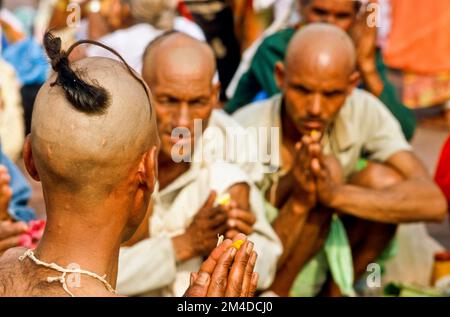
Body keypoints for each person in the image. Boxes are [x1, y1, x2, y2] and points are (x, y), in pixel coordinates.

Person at [0, 32, 258, 297]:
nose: (183, 118)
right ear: (148, 170)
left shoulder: (6, 264)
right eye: (169, 100)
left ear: (30, 159)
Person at [233, 24, 447, 296]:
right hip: (264, 270)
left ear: (351, 85)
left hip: (328, 251)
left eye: (331, 94)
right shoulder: (244, 129)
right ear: (280, 77)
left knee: (379, 180)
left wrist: (335, 195)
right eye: (302, 90)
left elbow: (433, 203)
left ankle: (336, 292)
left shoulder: (363, 109)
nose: (315, 108)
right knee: (324, 172)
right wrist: (300, 199)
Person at [117, 32, 281, 297]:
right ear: (142, 89)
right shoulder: (110, 148)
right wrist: (185, 244)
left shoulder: (232, 145)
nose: (182, 120)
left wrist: (233, 244)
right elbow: (87, 273)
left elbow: (268, 263)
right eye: (168, 100)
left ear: (214, 95)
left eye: (197, 102)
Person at [226, 0, 416, 141]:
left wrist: (367, 66)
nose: (328, 22)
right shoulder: (276, 48)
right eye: (319, 12)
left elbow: (404, 131)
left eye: (341, 16)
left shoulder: (360, 51)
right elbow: (301, 123)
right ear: (301, 8)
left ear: (356, 17)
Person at [84, 0, 205, 73]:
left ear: (127, 9)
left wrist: (94, 8)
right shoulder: (190, 28)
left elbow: (86, 62)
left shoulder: (120, 40)